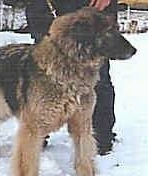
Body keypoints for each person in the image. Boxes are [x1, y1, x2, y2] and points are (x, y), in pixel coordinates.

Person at [24, 0, 118, 155]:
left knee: (98, 78)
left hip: (92, 7)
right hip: (46, 8)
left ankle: (100, 137)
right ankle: (37, 132)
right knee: (43, 76)